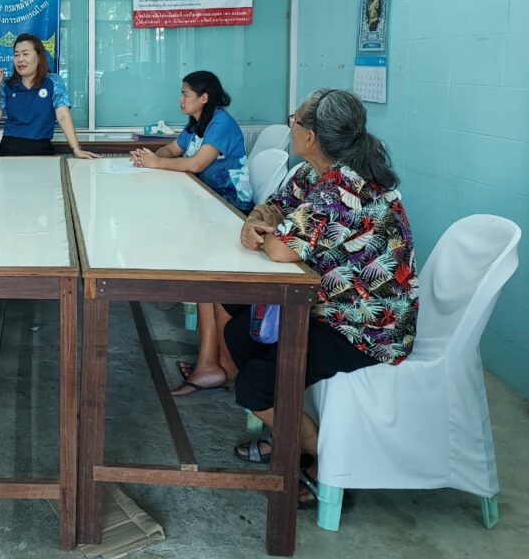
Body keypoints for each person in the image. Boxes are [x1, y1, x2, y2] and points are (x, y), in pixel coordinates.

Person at [225, 88, 419, 508]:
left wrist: (265, 234)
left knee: (255, 383)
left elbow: (280, 250)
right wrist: (256, 224)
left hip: (366, 328)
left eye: (294, 120)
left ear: (311, 136)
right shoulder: (313, 173)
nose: (291, 124)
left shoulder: (346, 189)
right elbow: (273, 206)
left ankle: (328, 463)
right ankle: (289, 434)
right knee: (241, 332)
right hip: (327, 307)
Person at [130, 71, 253, 213]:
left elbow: (196, 164)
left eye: (185, 95)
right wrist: (148, 158)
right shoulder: (196, 124)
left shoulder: (222, 123)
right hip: (204, 195)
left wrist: (155, 162)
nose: (180, 100)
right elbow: (170, 150)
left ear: (204, 98)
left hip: (231, 203)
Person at [0, 33, 99, 158]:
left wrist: (76, 149)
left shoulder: (53, 82)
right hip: (10, 148)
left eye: (25, 54)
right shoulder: (7, 85)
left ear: (39, 57)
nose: (20, 59)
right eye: (16, 54)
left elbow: (63, 116)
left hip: (41, 148)